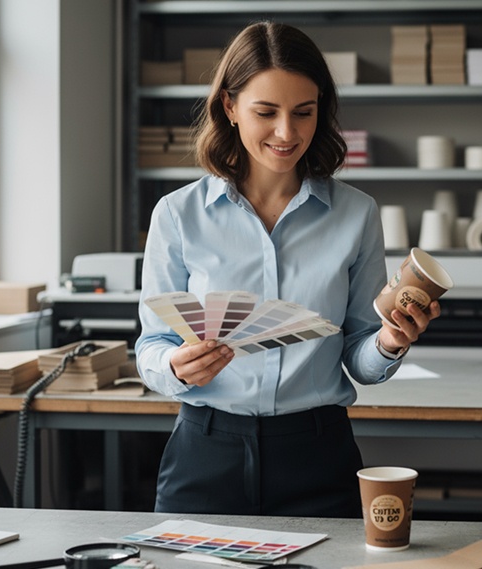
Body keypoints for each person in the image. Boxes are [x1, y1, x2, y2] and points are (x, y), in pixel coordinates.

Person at [135, 21, 441, 518]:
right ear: (230, 107)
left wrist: (390, 342)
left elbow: (359, 358)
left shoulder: (356, 213)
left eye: (304, 112)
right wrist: (173, 367)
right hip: (206, 451)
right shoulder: (177, 214)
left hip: (318, 454)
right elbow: (150, 346)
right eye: (266, 112)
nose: (287, 133)